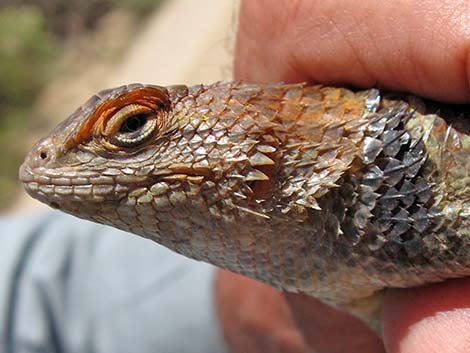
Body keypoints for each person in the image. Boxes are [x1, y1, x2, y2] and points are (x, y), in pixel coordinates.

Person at [2, 1, 470, 352]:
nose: (46, 159)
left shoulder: (413, 150)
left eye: (131, 126)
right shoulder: (325, 283)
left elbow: (45, 288)